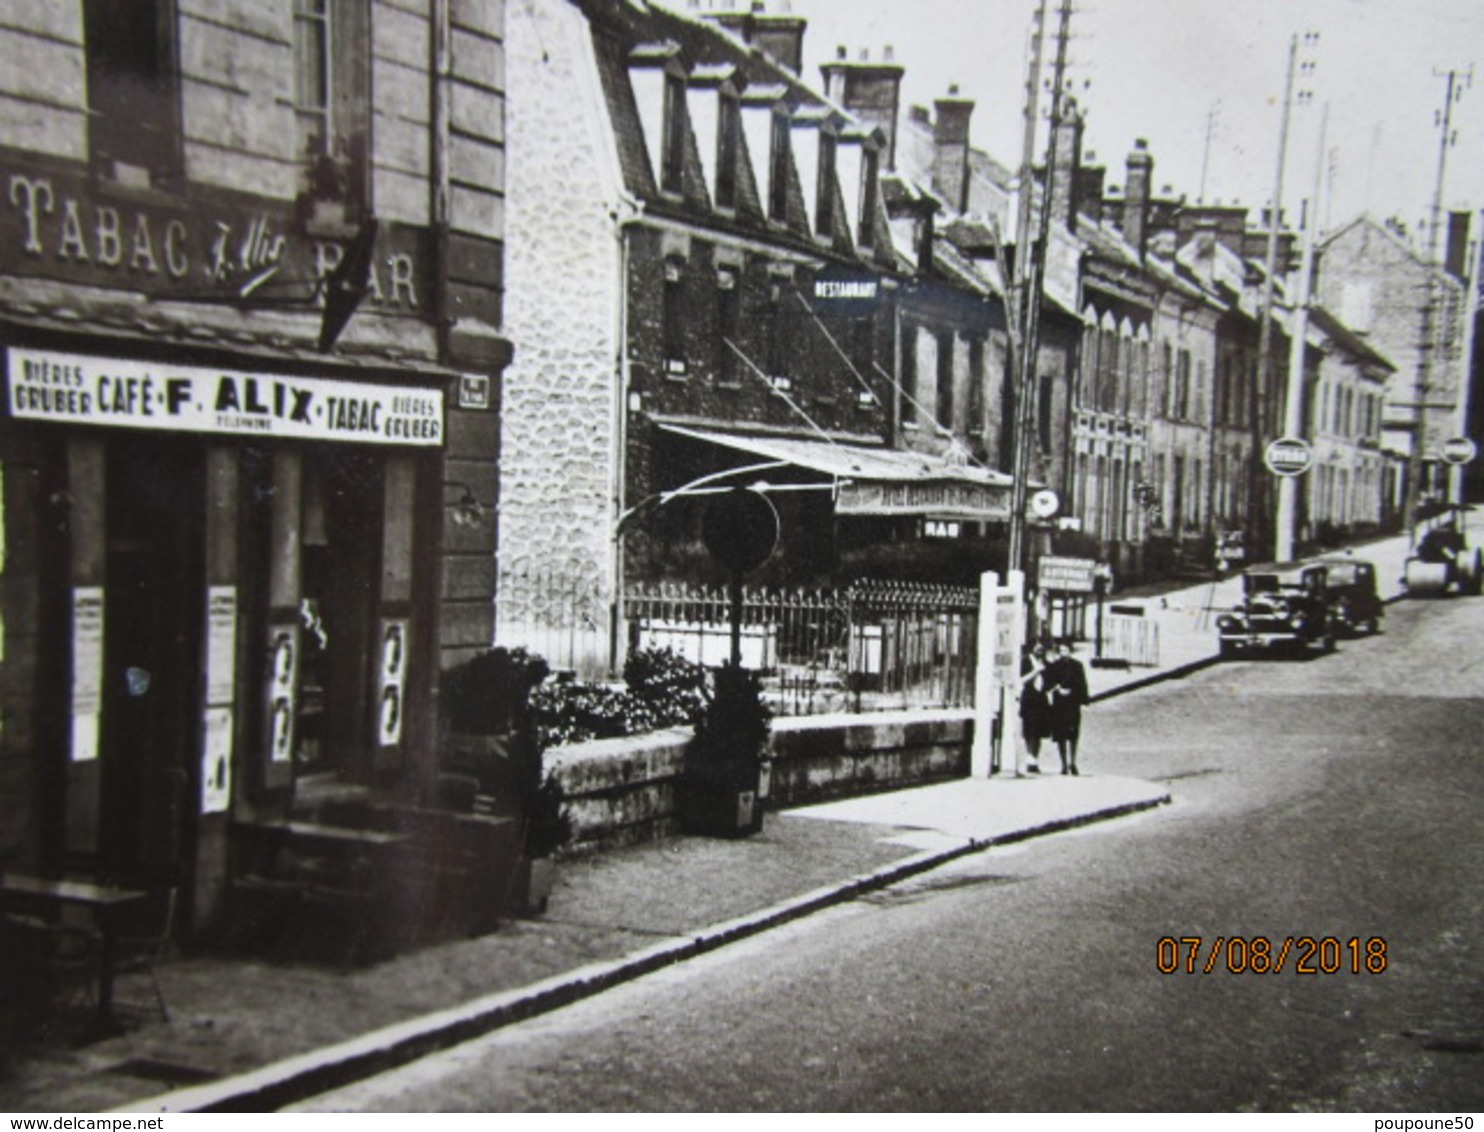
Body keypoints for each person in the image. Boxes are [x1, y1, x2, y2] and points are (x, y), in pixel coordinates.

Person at [1043, 641, 1090, 775]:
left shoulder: (1077, 666)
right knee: (1060, 734)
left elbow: (1082, 683)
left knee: (1073, 733)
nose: (1064, 653)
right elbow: (1048, 683)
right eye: (1061, 651)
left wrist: (1081, 699)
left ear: (1070, 651)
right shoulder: (1054, 666)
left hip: (1072, 703)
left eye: (1066, 650)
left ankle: (1073, 762)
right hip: (1059, 704)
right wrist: (1057, 688)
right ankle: (1063, 763)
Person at [1018, 645, 1051, 774]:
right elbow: (1022, 680)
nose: (1040, 652)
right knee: (1029, 730)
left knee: (1038, 731)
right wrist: (1036, 671)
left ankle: (1034, 760)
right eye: (1037, 649)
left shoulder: (1046, 664)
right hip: (1029, 698)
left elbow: (1049, 682)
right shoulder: (1025, 662)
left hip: (1041, 699)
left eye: (1042, 650)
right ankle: (1029, 758)